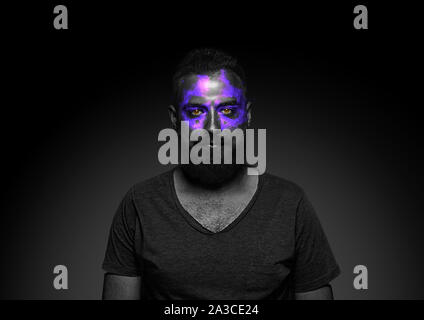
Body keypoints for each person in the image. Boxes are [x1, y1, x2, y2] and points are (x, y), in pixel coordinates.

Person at [102, 48, 340, 299]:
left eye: (227, 110)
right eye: (196, 112)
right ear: (175, 119)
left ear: (247, 115)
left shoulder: (291, 204)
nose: (212, 127)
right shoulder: (140, 203)